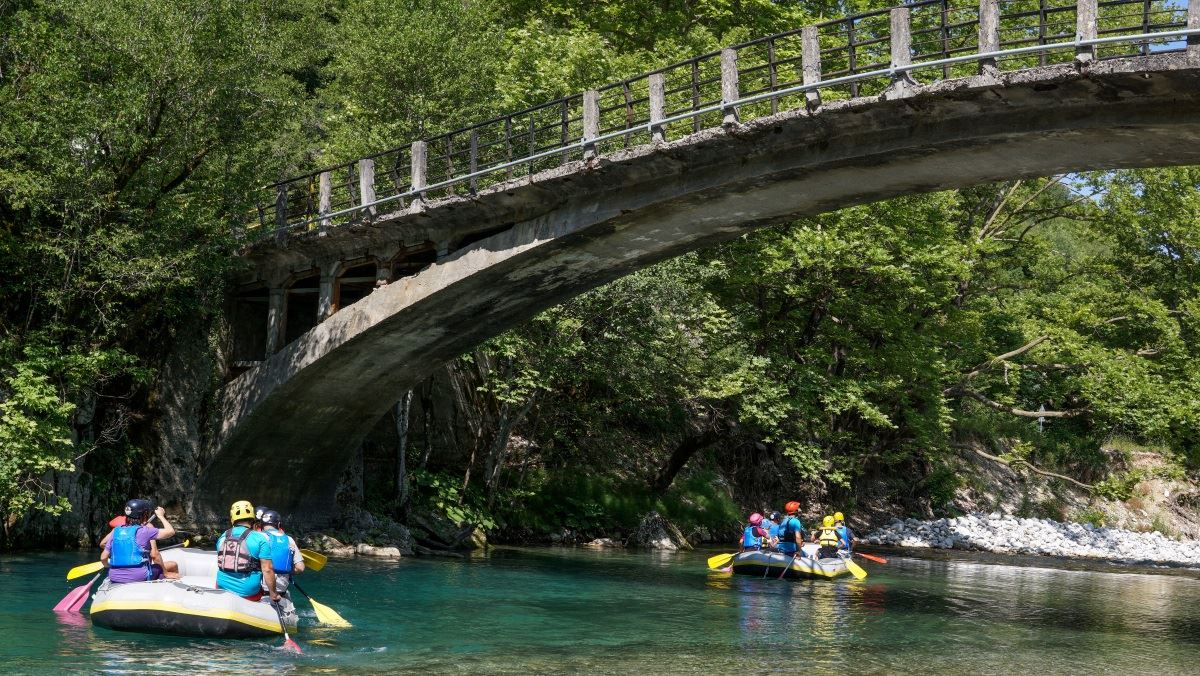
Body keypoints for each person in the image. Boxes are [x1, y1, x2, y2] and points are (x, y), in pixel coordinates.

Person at [100, 499, 179, 583]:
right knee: (158, 568)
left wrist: (111, 565)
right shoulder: (145, 531)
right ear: (144, 515)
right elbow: (170, 531)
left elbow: (103, 558)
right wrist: (160, 516)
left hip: (114, 576)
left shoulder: (116, 531)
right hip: (138, 577)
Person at [215, 500, 279, 604]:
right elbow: (267, 569)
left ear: (232, 519)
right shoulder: (260, 539)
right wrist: (273, 593)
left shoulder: (223, 536)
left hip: (222, 586)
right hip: (248, 592)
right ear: (252, 518)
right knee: (261, 591)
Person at [258, 508, 304, 593]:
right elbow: (300, 568)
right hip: (281, 589)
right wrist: (287, 571)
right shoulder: (289, 539)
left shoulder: (257, 537)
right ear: (279, 525)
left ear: (261, 525)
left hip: (259, 588)